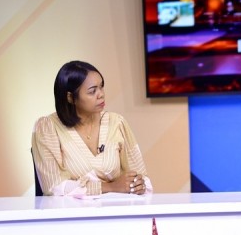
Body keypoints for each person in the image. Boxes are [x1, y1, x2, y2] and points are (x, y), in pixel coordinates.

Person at [32, 60, 152, 197]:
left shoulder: (117, 122)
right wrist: (110, 187)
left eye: (101, 87)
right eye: (92, 91)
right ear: (70, 97)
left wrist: (137, 184)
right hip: (72, 210)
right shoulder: (47, 128)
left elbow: (142, 177)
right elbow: (54, 187)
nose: (101, 94)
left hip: (117, 207)